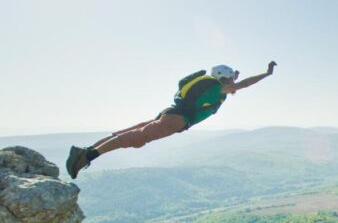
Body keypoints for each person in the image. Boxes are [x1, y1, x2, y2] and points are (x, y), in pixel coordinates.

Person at [65, 61, 277, 179]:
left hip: (170, 113)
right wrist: (266, 74)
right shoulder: (216, 88)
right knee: (136, 138)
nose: (233, 83)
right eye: (230, 80)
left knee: (131, 135)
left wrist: (235, 75)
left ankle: (85, 152)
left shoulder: (209, 86)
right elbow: (243, 85)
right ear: (224, 79)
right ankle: (87, 155)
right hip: (176, 120)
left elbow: (235, 83)